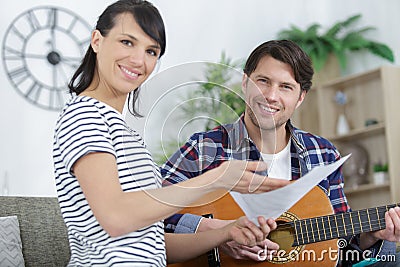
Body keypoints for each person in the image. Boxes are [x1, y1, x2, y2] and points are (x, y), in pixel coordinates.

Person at [52, 1, 291, 266]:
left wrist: (226, 233)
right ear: (97, 40)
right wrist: (215, 179)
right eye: (127, 42)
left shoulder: (124, 132)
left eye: (151, 51)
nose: (139, 60)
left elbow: (153, 246)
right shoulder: (85, 115)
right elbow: (115, 218)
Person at [161, 40, 400, 266]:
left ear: (300, 98)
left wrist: (371, 237)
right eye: (263, 81)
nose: (271, 96)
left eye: (286, 86)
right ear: (245, 83)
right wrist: (218, 232)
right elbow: (147, 214)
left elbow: (339, 249)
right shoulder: (205, 147)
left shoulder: (324, 153)